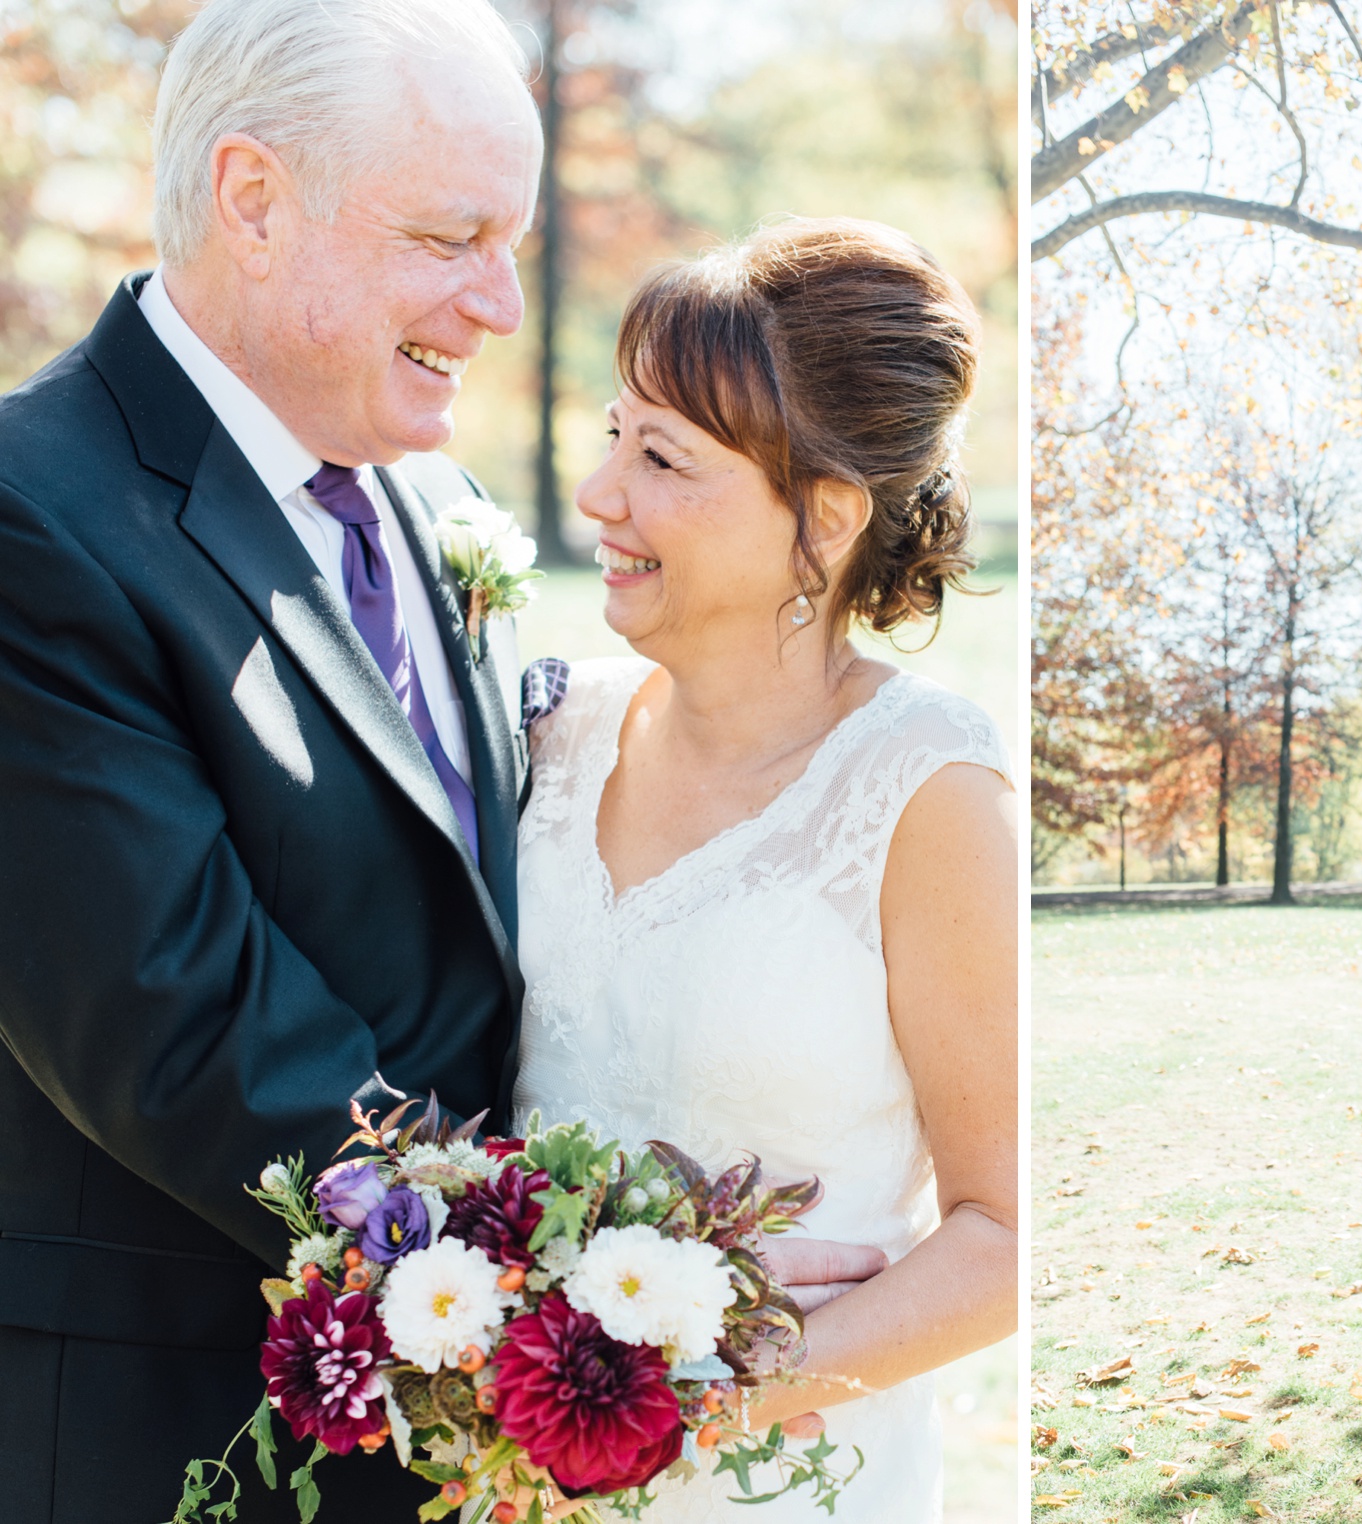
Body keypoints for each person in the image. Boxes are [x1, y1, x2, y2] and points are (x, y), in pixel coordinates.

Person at [0, 5, 870, 1519]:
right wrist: (610, 1285)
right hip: (180, 1438)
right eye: (450, 236)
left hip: (474, 1454)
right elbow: (184, 1029)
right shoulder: (38, 518)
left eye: (515, 240)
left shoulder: (430, 495)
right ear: (252, 201)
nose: (503, 304)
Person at [510, 218, 1019, 1521]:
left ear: (824, 522)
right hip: (515, 1479)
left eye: (662, 457)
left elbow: (1005, 1238)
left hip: (778, 1482)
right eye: (613, 434)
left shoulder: (929, 794)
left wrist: (714, 1397)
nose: (600, 494)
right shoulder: (550, 732)